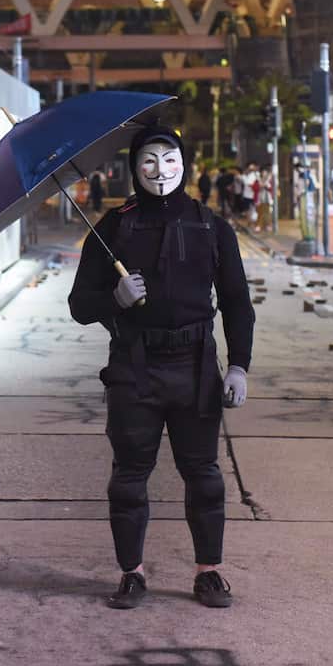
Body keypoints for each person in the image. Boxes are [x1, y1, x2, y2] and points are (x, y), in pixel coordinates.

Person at [68, 124, 254, 611]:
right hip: (134, 367)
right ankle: (131, 573)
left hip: (196, 367)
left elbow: (237, 302)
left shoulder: (211, 227)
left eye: (169, 159)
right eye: (148, 160)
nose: (160, 170)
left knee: (205, 475)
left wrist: (238, 366)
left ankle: (208, 571)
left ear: (184, 164)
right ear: (134, 167)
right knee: (129, 477)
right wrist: (115, 297)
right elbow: (79, 305)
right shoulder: (113, 227)